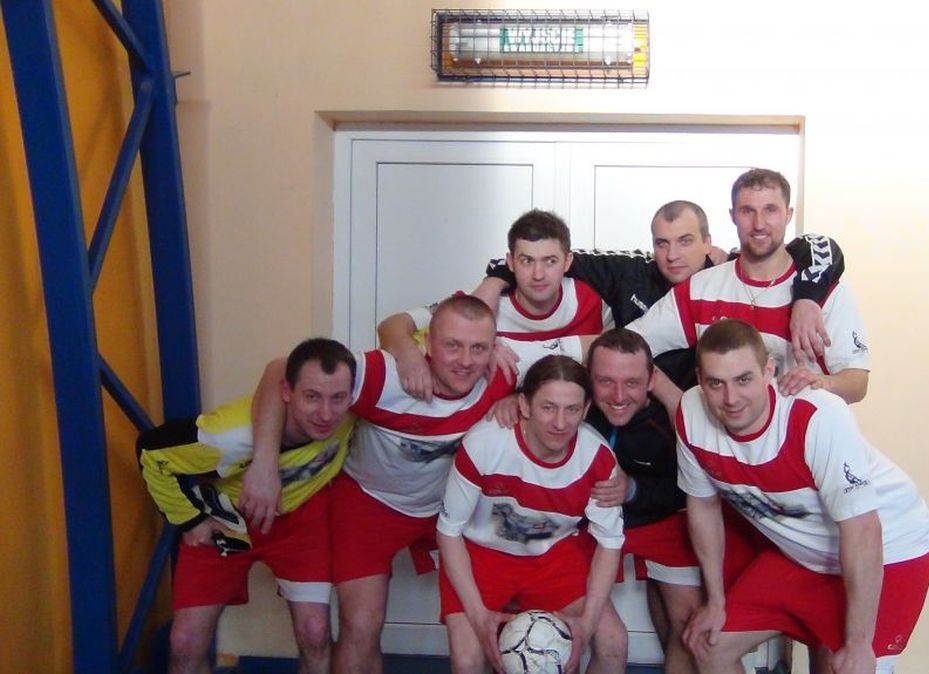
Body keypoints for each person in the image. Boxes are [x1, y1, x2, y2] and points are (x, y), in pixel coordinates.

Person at [242, 296, 580, 674]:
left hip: (446, 509)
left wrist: (519, 396)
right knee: (361, 625)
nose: (466, 361)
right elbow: (279, 369)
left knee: (501, 606)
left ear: (494, 346)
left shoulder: (502, 367)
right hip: (370, 504)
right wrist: (264, 464)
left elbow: (587, 355)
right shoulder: (387, 373)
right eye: (452, 346)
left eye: (478, 348)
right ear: (428, 343)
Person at [675, 320, 929, 674]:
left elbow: (863, 531)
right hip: (805, 555)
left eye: (744, 380)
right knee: (709, 644)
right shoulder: (691, 413)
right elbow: (703, 506)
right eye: (715, 383)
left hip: (889, 548)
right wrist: (716, 602)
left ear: (769, 371)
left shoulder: (815, 415)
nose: (731, 399)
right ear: (699, 380)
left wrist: (858, 645)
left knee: (849, 667)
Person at [136, 337, 357, 674]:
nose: (326, 414)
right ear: (287, 392)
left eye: (338, 398)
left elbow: (421, 345)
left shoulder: (353, 412)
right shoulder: (226, 439)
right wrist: (190, 520)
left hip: (300, 520)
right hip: (227, 521)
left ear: (351, 396)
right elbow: (151, 452)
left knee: (315, 633)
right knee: (184, 644)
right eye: (312, 397)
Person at [477, 199, 846, 388]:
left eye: (685, 242)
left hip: (713, 414)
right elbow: (542, 256)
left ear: (707, 242)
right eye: (662, 243)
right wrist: (493, 284)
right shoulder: (630, 270)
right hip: (629, 410)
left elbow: (819, 247)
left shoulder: (732, 272)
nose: (672, 255)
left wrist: (807, 297)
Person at [438, 355, 627, 674]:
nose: (560, 423)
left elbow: (610, 543)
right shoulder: (484, 444)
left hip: (552, 556)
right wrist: (478, 615)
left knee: (613, 643)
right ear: (524, 406)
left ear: (585, 410)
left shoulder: (598, 458)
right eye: (548, 407)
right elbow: (448, 531)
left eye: (572, 410)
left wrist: (587, 624)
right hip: (481, 556)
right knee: (468, 659)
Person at [627, 170, 871, 406]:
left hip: (802, 433)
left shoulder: (826, 294)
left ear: (788, 214)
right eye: (747, 211)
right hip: (723, 435)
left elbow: (857, 383)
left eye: (770, 210)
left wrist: (821, 383)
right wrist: (676, 402)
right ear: (733, 215)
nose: (759, 224)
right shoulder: (700, 288)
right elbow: (630, 347)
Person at [379, 208, 613, 401]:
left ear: (568, 261)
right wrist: (408, 354)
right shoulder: (478, 304)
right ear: (509, 262)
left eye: (550, 261)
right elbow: (392, 325)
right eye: (526, 261)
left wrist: (517, 397)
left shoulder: (591, 301)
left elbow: (611, 364)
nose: (538, 274)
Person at [585, 328, 704, 674]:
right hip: (588, 526)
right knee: (590, 630)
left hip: (658, 518)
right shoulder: (572, 408)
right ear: (589, 377)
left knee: (690, 628)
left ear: (652, 380)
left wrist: (633, 489)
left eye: (632, 383)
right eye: (605, 381)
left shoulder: (673, 421)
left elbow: (688, 490)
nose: (619, 396)